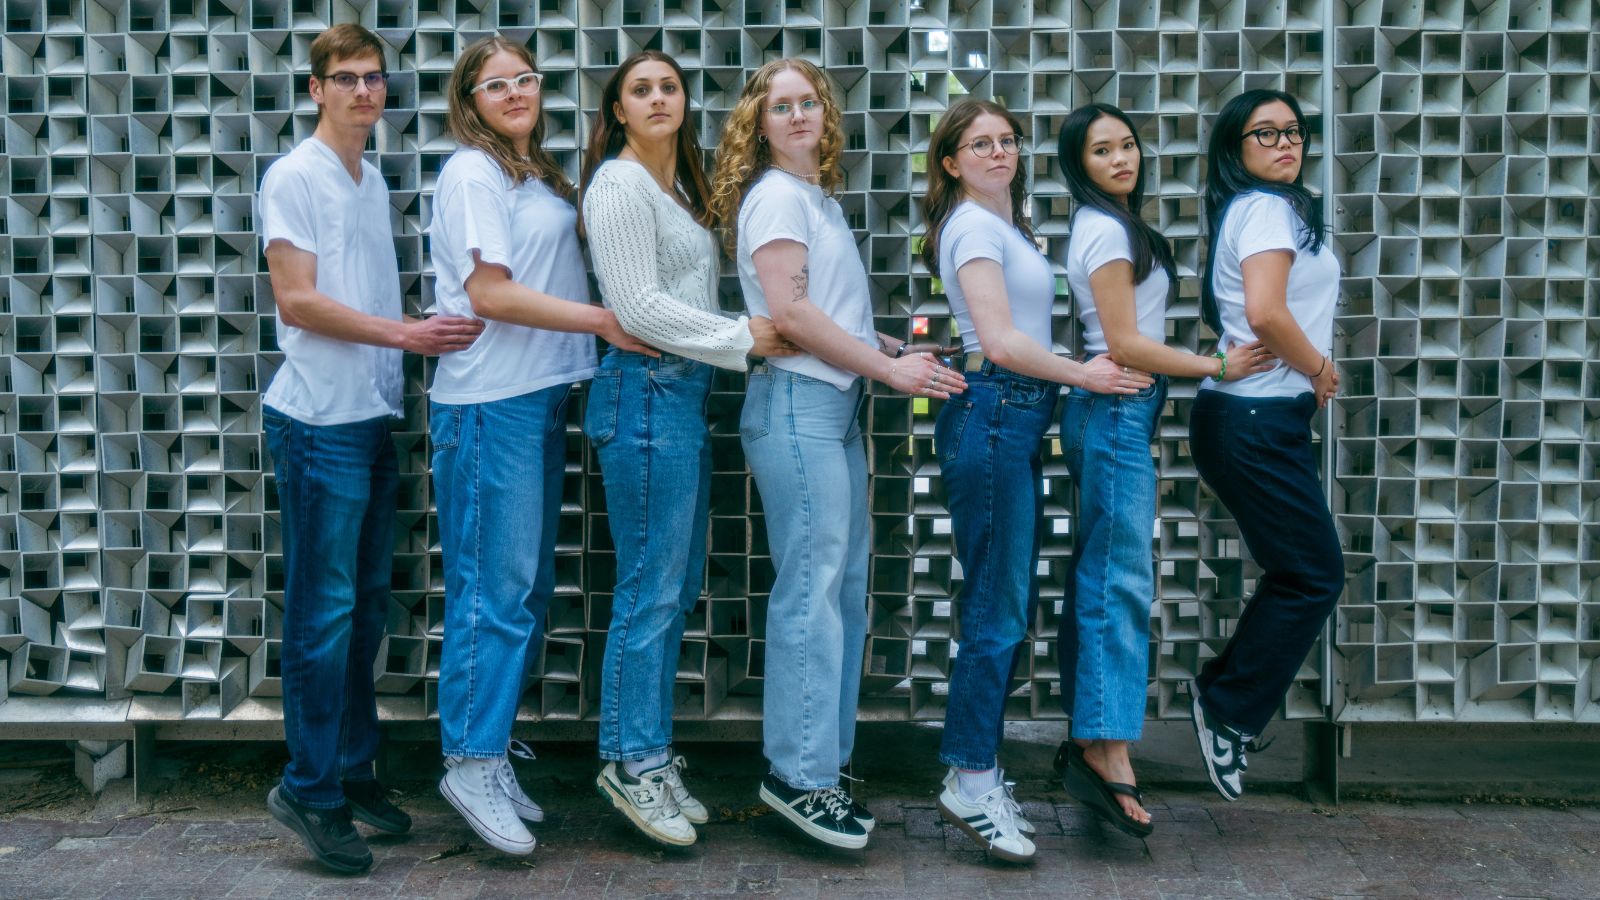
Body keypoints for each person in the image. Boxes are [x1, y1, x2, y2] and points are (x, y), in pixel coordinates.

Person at [709, 58, 967, 850]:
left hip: (830, 406)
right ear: (759, 121)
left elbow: (817, 307)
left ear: (826, 114)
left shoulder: (811, 196)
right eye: (779, 106)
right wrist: (889, 368)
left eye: (807, 103)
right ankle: (799, 778)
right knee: (813, 592)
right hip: (798, 407)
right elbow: (787, 310)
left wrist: (872, 342)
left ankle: (821, 766)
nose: (795, 116)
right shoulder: (778, 197)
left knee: (840, 588)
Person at [258, 23, 484, 875]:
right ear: (315, 90)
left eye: (373, 79)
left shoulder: (367, 175)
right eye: (345, 79)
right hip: (318, 422)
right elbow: (297, 303)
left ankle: (351, 774)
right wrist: (406, 334)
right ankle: (308, 791)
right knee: (322, 619)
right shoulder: (295, 176)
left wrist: (398, 358)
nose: (363, 91)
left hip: (370, 416)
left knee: (360, 616)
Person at [428, 35, 653, 855]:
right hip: (489, 405)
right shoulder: (471, 173)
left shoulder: (530, 171)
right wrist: (605, 322)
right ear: (470, 99)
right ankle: (471, 760)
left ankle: (484, 749)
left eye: (526, 77)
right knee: (493, 592)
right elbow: (488, 292)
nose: (516, 91)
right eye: (497, 83)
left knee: (516, 593)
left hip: (535, 397)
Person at [919, 98, 1151, 861]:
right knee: (996, 606)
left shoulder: (1006, 225)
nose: (998, 152)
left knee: (1005, 603)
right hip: (995, 410)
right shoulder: (971, 225)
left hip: (1013, 415)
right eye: (979, 144)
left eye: (1007, 141)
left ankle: (978, 771)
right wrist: (1083, 373)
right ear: (951, 162)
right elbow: (1000, 339)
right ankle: (971, 777)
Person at [577, 50, 797, 847]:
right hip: (646, 394)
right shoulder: (619, 183)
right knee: (650, 589)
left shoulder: (674, 187)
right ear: (619, 111)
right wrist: (746, 336)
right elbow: (635, 305)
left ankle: (652, 753)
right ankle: (630, 763)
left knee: (672, 584)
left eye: (669, 86)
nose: (659, 97)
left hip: (678, 395)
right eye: (641, 90)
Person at [1051, 102, 1274, 836]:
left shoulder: (1113, 224)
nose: (1121, 160)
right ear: (1076, 165)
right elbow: (1124, 342)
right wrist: (1217, 363)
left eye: (1127, 146)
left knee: (1104, 571)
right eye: (1101, 152)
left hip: (1118, 412)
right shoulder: (1105, 229)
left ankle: (1092, 736)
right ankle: (1109, 753)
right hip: (1116, 407)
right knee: (1119, 579)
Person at [1188, 89, 1344, 801]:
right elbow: (1265, 312)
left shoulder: (1265, 210)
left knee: (1301, 570)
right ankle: (1226, 708)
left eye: (1294, 131)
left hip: (1258, 420)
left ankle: (1227, 699)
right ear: (1236, 149)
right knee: (1312, 572)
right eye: (1265, 133)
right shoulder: (1266, 210)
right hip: (1254, 420)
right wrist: (1317, 368)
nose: (1287, 143)